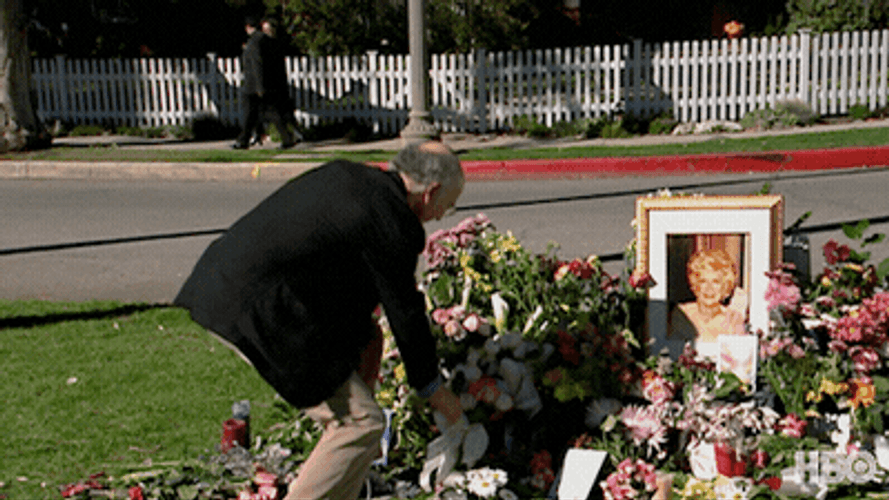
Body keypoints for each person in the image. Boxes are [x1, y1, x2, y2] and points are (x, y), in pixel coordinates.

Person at [174, 141, 465, 500]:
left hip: (222, 284)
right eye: (447, 206)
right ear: (430, 192)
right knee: (361, 423)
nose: (441, 215)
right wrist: (434, 390)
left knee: (363, 377)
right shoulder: (393, 219)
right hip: (262, 310)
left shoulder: (349, 177)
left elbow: (348, 295)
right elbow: (405, 312)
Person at [232, 16, 297, 150]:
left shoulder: (255, 41)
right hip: (262, 83)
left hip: (254, 85)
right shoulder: (265, 40)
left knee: (256, 113)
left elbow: (257, 63)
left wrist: (259, 86)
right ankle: (244, 139)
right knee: (263, 113)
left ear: (248, 27)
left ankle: (286, 138)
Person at [668, 248, 747, 358]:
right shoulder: (681, 314)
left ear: (725, 286)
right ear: (695, 284)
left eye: (716, 282)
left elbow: (740, 362)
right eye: (703, 281)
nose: (709, 289)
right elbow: (672, 357)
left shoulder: (734, 318)